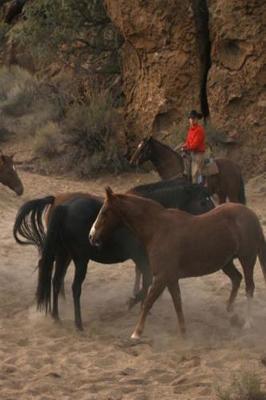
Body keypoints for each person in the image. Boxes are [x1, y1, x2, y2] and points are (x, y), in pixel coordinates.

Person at [181, 110, 206, 184]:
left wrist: (186, 148)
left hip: (198, 154)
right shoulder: (190, 130)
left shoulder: (199, 130)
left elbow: (195, 145)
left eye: (193, 118)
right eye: (190, 118)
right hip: (192, 153)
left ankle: (198, 188)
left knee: (195, 174)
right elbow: (188, 141)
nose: (192, 120)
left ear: (197, 119)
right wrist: (184, 145)